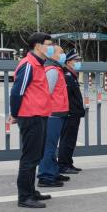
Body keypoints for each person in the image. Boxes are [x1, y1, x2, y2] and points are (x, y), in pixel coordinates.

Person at [8, 33, 54, 208]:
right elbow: (17, 92)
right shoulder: (28, 64)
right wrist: (15, 113)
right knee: (30, 157)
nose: (51, 48)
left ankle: (31, 191)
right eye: (48, 44)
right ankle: (24, 197)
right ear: (37, 46)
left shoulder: (39, 64)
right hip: (30, 116)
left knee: (36, 155)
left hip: (39, 115)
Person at [37, 46, 70, 188]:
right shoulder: (52, 71)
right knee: (49, 147)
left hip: (57, 113)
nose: (64, 55)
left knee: (51, 146)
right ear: (52, 55)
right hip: (53, 114)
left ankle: (53, 172)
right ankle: (45, 176)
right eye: (61, 52)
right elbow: (46, 93)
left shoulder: (56, 69)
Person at [57, 50, 86, 174]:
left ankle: (68, 163)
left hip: (74, 113)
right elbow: (67, 97)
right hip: (70, 113)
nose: (78, 62)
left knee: (71, 140)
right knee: (67, 140)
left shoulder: (72, 76)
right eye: (76, 60)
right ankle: (63, 165)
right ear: (68, 62)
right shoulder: (67, 77)